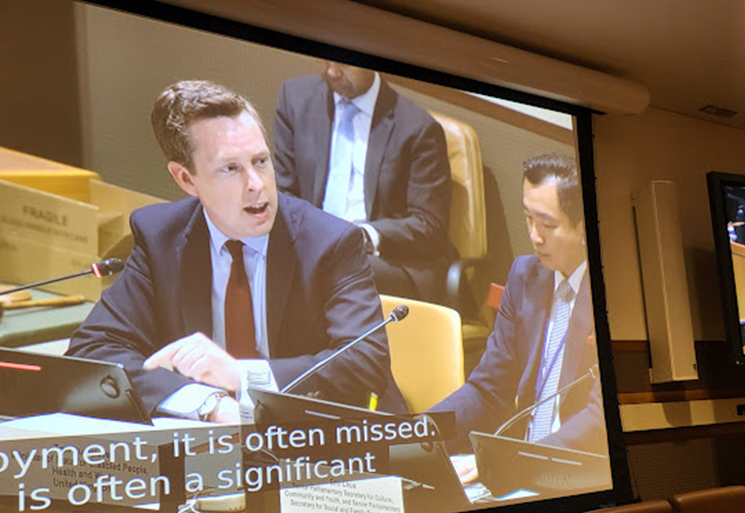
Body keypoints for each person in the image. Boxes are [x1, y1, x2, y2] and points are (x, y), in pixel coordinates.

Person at [68, 80, 399, 424]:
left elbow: (365, 362)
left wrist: (239, 376)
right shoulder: (160, 237)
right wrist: (206, 402)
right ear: (186, 179)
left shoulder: (330, 242)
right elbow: (94, 350)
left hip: (320, 440)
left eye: (260, 161)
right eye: (231, 168)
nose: (256, 183)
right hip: (210, 444)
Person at [430, 154, 604, 481]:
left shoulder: (612, 293)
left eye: (548, 225)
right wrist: (419, 433)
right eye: (528, 219)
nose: (535, 236)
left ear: (584, 228)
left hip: (573, 474)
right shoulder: (524, 275)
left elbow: (599, 418)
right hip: (517, 467)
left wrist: (512, 463)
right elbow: (488, 390)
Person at [274, 62, 455, 303]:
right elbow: (283, 192)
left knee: (328, 269)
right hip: (311, 243)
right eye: (326, 59)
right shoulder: (295, 99)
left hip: (385, 259)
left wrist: (364, 237)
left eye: (343, 64)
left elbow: (429, 225)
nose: (332, 72)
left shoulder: (418, 129)